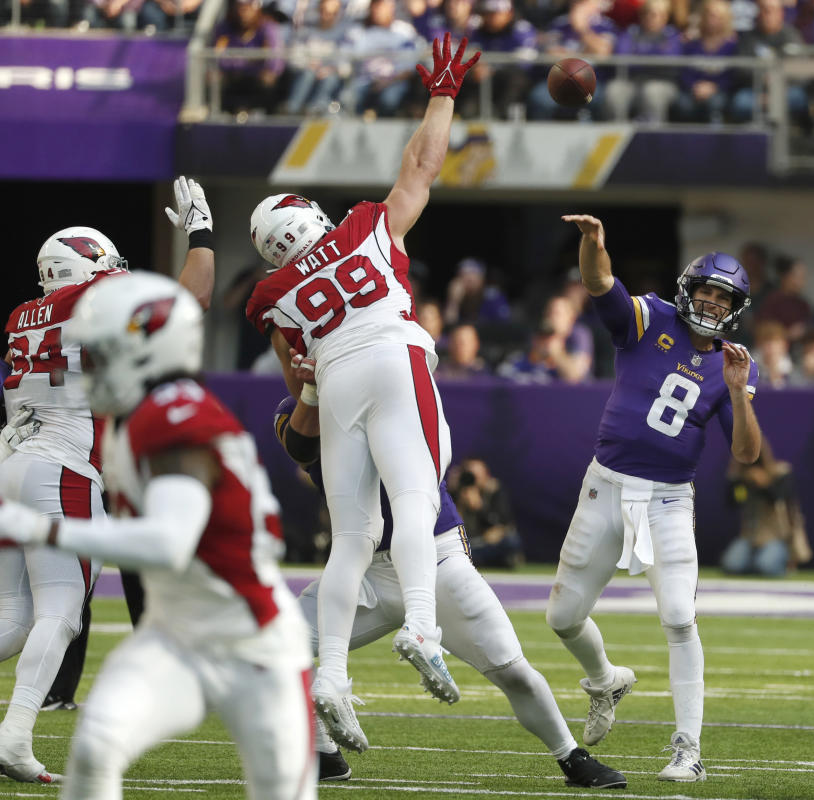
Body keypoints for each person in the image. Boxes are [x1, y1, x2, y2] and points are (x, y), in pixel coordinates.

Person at [244, 34, 481, 754]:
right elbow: (421, 164)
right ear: (309, 217)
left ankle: (334, 676)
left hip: (336, 377)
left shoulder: (271, 295)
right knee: (415, 495)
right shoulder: (362, 228)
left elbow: (298, 376)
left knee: (350, 537)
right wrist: (442, 93)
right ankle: (420, 623)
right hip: (391, 352)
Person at [0, 273, 314, 800]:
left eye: (100, 353)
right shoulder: (131, 417)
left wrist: (40, 528)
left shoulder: (174, 416)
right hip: (172, 635)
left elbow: (169, 542)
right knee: (97, 748)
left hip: (253, 642)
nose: (89, 365)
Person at [273, 389, 625, 788]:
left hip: (435, 558)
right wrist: (313, 389)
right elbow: (302, 447)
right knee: (273, 643)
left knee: (513, 671)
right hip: (364, 568)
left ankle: (571, 756)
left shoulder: (395, 385)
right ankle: (322, 752)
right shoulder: (298, 406)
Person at [0, 178, 216, 783]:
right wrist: (200, 232)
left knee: (13, 617)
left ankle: (14, 732)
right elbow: (191, 301)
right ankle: (14, 736)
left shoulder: (23, 314)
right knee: (62, 609)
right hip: (62, 465)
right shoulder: (96, 299)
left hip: (12, 464)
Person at [545, 214, 762, 782]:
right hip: (606, 485)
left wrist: (740, 395)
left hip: (668, 498)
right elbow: (599, 284)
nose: (714, 304)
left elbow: (746, 454)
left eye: (724, 298)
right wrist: (594, 243)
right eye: (708, 293)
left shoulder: (734, 362)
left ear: (735, 307)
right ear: (689, 291)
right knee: (563, 617)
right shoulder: (648, 318)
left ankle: (688, 751)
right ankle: (605, 680)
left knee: (680, 618)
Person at [720, 441, 809, 576]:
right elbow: (734, 503)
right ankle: (754, 564)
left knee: (765, 566)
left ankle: (783, 563)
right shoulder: (743, 480)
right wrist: (737, 480)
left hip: (775, 537)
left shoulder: (780, 473)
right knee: (731, 565)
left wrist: (763, 484)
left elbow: (779, 497)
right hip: (749, 538)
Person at [340, 0, 424, 117]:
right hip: (364, 80)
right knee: (347, 97)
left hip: (395, 81)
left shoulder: (405, 31)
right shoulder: (358, 32)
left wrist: (387, 81)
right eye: (376, 7)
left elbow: (409, 68)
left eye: (382, 7)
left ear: (392, 9)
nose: (378, 11)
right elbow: (345, 60)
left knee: (389, 100)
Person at [605, 0, 682, 122]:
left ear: (665, 16)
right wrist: (654, 56)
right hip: (631, 80)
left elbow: (669, 61)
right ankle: (617, 133)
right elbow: (621, 56)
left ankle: (652, 135)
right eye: (646, 13)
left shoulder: (671, 35)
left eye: (655, 14)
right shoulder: (631, 32)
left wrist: (638, 55)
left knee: (651, 91)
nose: (650, 18)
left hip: (662, 82)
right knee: (614, 90)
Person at [211, 0, 285, 114]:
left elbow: (276, 58)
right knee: (214, 79)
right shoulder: (225, 27)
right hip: (232, 76)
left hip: (257, 77)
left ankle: (268, 117)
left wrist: (270, 70)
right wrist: (246, 61)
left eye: (249, 7)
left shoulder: (267, 27)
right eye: (240, 7)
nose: (244, 11)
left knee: (269, 81)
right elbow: (218, 56)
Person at [671, 0, 740, 123]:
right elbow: (684, 71)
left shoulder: (732, 46)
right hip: (692, 90)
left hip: (720, 91)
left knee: (716, 103)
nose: (713, 20)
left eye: (718, 16)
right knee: (683, 104)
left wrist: (714, 87)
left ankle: (715, 139)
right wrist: (694, 86)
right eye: (711, 15)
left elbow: (733, 75)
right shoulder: (692, 44)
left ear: (726, 19)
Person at [449, 457, 523, 567]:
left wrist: (479, 507)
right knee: (454, 550)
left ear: (486, 475)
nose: (474, 479)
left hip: (487, 542)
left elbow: (503, 522)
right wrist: (452, 492)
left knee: (512, 541)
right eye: (470, 474)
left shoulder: (493, 491)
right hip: (466, 543)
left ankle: (479, 560)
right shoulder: (456, 492)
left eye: (477, 475)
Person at [755, 258, 811, 342]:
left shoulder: (803, 304)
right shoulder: (771, 300)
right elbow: (761, 329)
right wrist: (787, 334)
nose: (802, 282)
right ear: (785, 276)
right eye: (798, 277)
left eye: (803, 277)